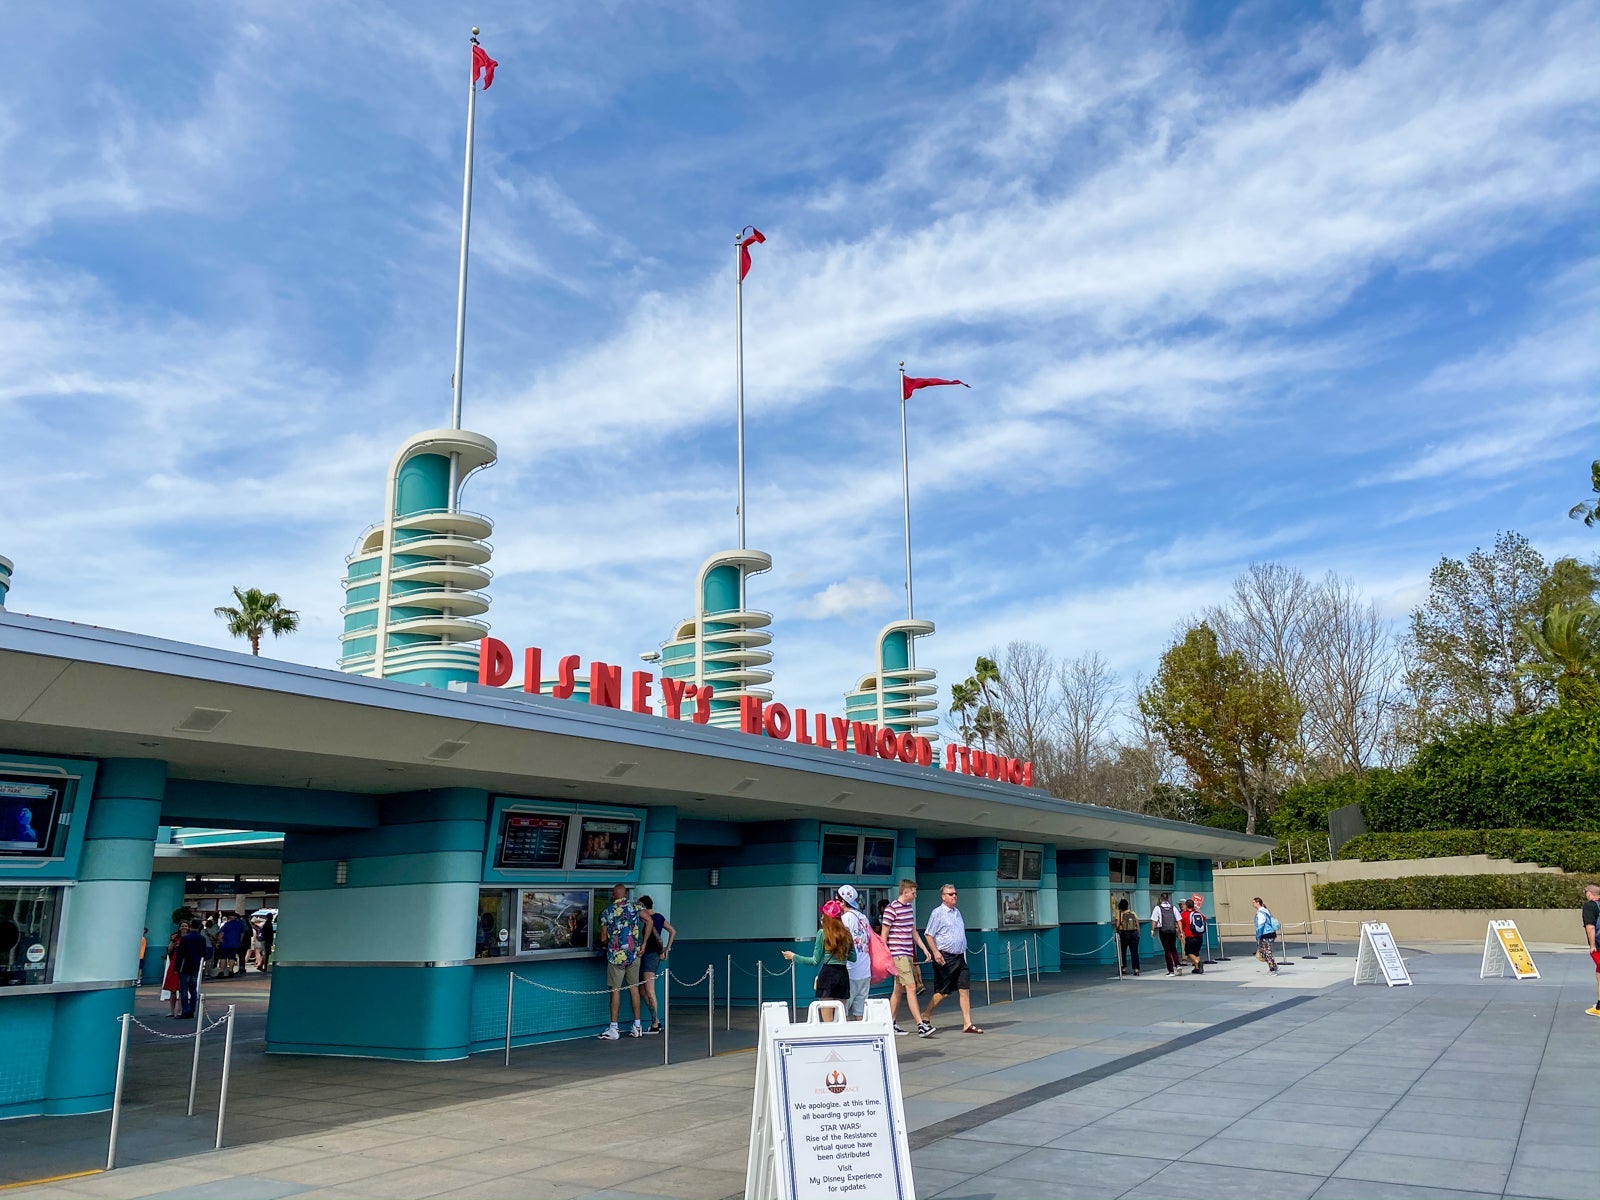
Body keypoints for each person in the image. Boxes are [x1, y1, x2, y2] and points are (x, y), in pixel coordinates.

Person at [880, 879, 935, 1037]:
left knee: (898, 989)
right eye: (913, 893)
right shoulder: (891, 909)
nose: (915, 895)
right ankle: (920, 1024)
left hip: (908, 953)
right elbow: (884, 935)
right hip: (897, 954)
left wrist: (924, 949)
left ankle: (891, 1023)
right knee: (911, 987)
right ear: (905, 893)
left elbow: (913, 932)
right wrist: (885, 956)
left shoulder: (909, 909)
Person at [784, 901, 856, 1022]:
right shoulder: (847, 934)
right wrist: (841, 949)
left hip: (827, 975)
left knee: (828, 1021)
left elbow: (815, 960)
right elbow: (853, 958)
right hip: (843, 976)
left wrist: (794, 956)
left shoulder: (822, 934)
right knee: (841, 1018)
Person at [924, 884, 981, 1033]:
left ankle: (967, 1023)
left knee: (964, 989)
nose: (954, 896)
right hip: (945, 957)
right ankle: (926, 1014)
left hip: (960, 957)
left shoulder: (957, 912)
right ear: (943, 897)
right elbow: (929, 934)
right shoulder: (937, 913)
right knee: (943, 992)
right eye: (950, 894)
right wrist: (935, 952)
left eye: (955, 893)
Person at [596, 884, 646, 1040]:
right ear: (626, 894)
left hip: (615, 956)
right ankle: (637, 1026)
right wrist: (643, 944)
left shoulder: (607, 911)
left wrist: (611, 943)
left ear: (613, 895)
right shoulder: (635, 906)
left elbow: (603, 938)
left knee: (615, 990)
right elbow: (649, 921)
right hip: (633, 954)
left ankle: (614, 1028)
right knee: (634, 989)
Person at [636, 895, 676, 1036]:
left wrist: (665, 950)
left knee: (649, 990)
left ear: (642, 906)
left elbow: (672, 931)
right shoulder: (659, 917)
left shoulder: (647, 919)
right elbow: (672, 931)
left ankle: (655, 1024)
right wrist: (666, 949)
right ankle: (656, 1020)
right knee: (642, 990)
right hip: (651, 955)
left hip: (650, 955)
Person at [836, 885, 873, 1021]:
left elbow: (842, 943)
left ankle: (845, 1033)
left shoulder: (846, 919)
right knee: (860, 1011)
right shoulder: (863, 917)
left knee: (842, 1010)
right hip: (865, 969)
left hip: (850, 970)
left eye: (837, 900)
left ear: (843, 901)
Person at [175, 920, 208, 1018]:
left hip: (185, 965)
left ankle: (185, 1010)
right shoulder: (202, 938)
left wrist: (177, 968)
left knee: (184, 989)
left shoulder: (185, 938)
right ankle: (192, 1010)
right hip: (195, 965)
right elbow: (204, 953)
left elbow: (180, 954)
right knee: (193, 989)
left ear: (190, 926)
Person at [1150, 892, 1182, 975]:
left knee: (1167, 950)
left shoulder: (1157, 908)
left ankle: (1171, 970)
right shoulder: (1173, 908)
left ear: (1161, 899)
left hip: (1163, 931)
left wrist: (1152, 930)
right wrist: (1181, 931)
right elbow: (1179, 920)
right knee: (1173, 948)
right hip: (1172, 930)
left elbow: (1154, 920)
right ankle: (1178, 965)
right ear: (1168, 898)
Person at [1582, 882, 1599, 1017]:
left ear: (1590, 893)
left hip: (1599, 945)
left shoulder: (1590, 906)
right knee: (1599, 972)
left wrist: (1592, 945)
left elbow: (1590, 927)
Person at [1252, 896, 1279, 974]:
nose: (1253, 904)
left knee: (1266, 952)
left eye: (1254, 902)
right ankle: (1274, 966)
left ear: (1258, 903)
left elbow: (1261, 923)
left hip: (1266, 934)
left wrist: (1258, 935)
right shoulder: (1265, 910)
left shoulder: (1261, 912)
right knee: (1264, 951)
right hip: (1270, 933)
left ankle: (1273, 969)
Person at [1114, 898, 1141, 976]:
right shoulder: (1133, 913)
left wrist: (1118, 931)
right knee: (1134, 952)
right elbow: (1137, 924)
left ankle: (1123, 968)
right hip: (1134, 933)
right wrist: (1138, 933)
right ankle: (1136, 969)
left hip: (1124, 934)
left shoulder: (1119, 914)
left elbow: (1117, 925)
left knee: (1122, 952)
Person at [161, 929, 183, 1018]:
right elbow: (169, 951)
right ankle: (172, 1011)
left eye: (186, 926)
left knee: (182, 989)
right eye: (182, 926)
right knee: (172, 989)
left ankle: (180, 1010)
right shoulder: (175, 938)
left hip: (183, 964)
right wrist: (173, 942)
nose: (184, 928)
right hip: (174, 963)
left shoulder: (188, 938)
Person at [218, 911, 245, 978]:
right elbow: (242, 934)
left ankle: (221, 971)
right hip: (235, 943)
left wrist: (219, 941)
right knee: (232, 957)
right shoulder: (240, 925)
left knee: (223, 957)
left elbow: (221, 934)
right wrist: (239, 941)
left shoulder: (226, 925)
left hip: (225, 943)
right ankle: (230, 971)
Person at [1186, 896, 1207, 974]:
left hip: (1190, 936)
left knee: (1189, 952)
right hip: (1199, 936)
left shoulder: (1184, 914)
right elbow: (1204, 918)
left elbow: (1180, 922)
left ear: (1186, 906)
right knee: (1196, 952)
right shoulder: (1198, 913)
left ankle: (1198, 963)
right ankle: (1197, 968)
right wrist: (1198, 911)